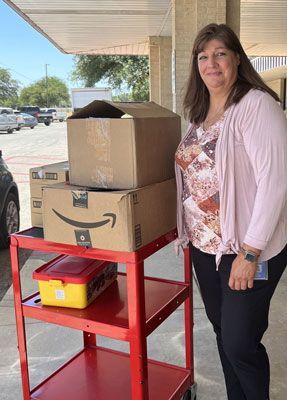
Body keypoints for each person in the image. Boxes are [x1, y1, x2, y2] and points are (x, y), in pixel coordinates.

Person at [175, 23, 287, 400]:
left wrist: (250, 252)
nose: (211, 63)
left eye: (220, 53)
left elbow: (275, 181)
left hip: (248, 245)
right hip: (206, 247)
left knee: (240, 342)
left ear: (237, 58)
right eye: (203, 56)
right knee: (224, 330)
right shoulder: (200, 113)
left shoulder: (256, 105)